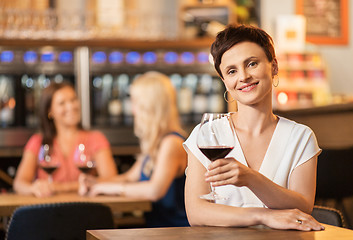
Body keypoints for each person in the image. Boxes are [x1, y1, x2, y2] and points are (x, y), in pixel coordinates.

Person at [183, 24, 325, 231]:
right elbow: (196, 212)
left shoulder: (300, 136)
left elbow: (303, 206)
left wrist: (250, 178)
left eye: (251, 64)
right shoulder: (206, 134)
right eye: (232, 71)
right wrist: (263, 216)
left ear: (273, 66)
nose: (243, 77)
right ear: (225, 81)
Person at [80, 71, 189, 227]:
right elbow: (129, 177)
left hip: (175, 232)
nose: (132, 110)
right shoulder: (157, 142)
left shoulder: (172, 142)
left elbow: (155, 191)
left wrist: (107, 188)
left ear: (149, 106)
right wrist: (95, 182)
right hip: (157, 230)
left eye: (135, 102)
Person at [13, 81, 118, 198]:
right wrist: (33, 188)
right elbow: (19, 184)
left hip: (87, 210)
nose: (71, 106)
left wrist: (59, 188)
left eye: (73, 100)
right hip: (48, 211)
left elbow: (111, 180)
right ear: (50, 111)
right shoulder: (37, 141)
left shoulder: (96, 138)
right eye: (62, 103)